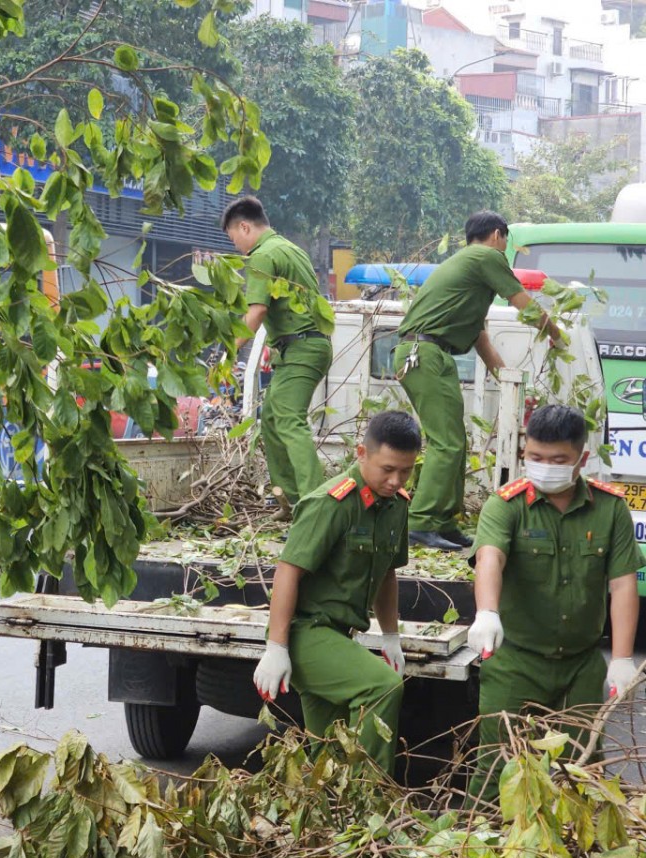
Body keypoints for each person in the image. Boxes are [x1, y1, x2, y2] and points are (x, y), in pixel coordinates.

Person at [466, 404, 643, 803]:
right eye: (536, 457)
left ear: (581, 459)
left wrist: (621, 658)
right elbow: (489, 557)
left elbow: (623, 584)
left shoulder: (610, 509)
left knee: (580, 767)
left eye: (558, 460)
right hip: (516, 661)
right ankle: (473, 840)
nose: (545, 467)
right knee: (498, 763)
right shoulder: (506, 505)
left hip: (580, 665)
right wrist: (487, 612)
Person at [253, 411, 422, 774]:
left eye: (406, 471)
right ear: (361, 452)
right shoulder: (330, 503)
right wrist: (277, 647)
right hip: (305, 631)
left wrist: (390, 635)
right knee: (384, 687)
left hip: (339, 635)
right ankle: (372, 795)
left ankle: (327, 816)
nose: (396, 480)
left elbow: (387, 573)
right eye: (388, 469)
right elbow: (287, 572)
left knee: (327, 749)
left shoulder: (397, 506)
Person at [394, 210, 560, 551]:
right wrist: (557, 333)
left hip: (431, 354)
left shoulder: (469, 274)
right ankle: (420, 522)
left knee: (454, 440)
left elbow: (481, 339)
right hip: (423, 353)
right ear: (498, 235)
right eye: (506, 242)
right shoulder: (486, 255)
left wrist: (508, 383)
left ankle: (444, 522)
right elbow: (524, 305)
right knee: (447, 442)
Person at [221, 196, 335, 512]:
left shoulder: (262, 256)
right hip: (304, 345)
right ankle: (290, 498)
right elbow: (291, 304)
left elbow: (255, 313)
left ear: (244, 227)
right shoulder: (289, 249)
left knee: (287, 420)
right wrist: (274, 344)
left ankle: (315, 507)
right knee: (271, 420)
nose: (237, 248)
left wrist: (227, 354)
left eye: (234, 239)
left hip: (302, 348)